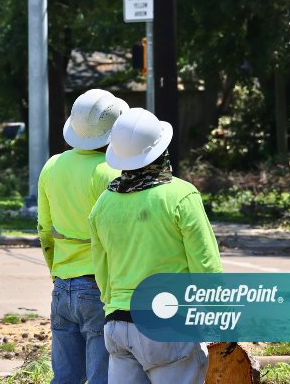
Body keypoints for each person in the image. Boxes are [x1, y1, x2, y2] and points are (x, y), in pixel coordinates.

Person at [89, 107, 222, 383]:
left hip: (117, 326)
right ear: (161, 151)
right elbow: (205, 266)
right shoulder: (181, 195)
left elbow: (102, 272)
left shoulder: (103, 203)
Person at [37, 89, 127, 384]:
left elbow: (44, 230)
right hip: (99, 288)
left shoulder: (51, 166)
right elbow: (120, 238)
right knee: (102, 376)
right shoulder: (111, 173)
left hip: (63, 287)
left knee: (65, 377)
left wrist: (57, 272)